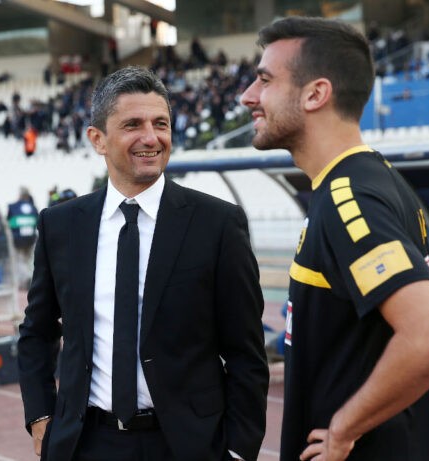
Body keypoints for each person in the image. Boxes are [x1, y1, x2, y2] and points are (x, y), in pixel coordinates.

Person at [18, 66, 268, 461]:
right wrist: (40, 414)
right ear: (98, 139)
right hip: (85, 443)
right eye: (133, 125)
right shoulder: (60, 225)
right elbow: (37, 331)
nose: (151, 138)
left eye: (160, 124)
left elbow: (246, 353)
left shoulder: (218, 224)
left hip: (187, 445)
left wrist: (239, 449)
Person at [241, 17, 429, 461]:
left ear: (315, 94)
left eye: (264, 80)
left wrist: (344, 429)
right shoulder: (374, 181)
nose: (248, 96)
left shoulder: (350, 198)